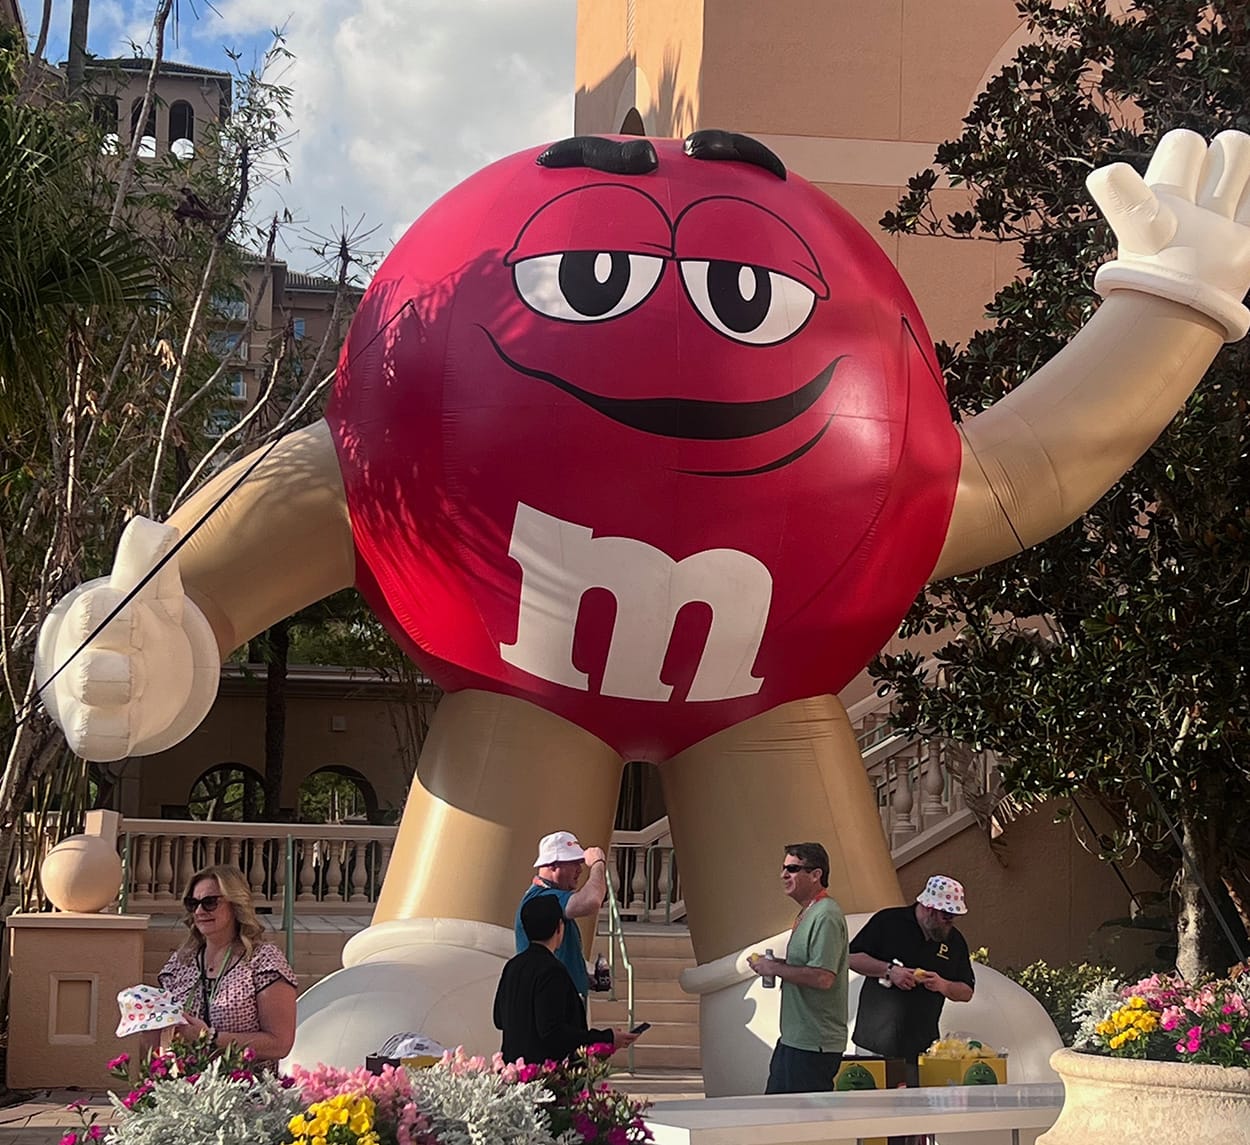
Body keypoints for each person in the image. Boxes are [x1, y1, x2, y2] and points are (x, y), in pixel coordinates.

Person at [149, 864, 298, 1069]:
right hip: (184, 1090)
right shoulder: (180, 963)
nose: (200, 911)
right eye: (193, 903)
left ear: (235, 904)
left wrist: (209, 1038)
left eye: (210, 902)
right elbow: (157, 1040)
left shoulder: (263, 961)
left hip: (247, 1091)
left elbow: (279, 1044)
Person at [747, 842, 849, 1094]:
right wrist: (773, 965)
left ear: (816, 875)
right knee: (777, 1116)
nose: (784, 875)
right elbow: (808, 967)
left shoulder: (826, 915)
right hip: (796, 1039)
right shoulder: (809, 912)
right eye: (783, 868)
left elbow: (823, 977)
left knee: (797, 1123)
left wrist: (775, 969)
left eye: (792, 869)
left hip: (814, 1044)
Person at [848, 874, 976, 1071]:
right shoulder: (888, 921)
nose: (949, 923)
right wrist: (889, 971)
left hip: (922, 1048)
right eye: (946, 917)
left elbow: (966, 991)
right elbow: (850, 958)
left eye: (953, 917)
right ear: (928, 908)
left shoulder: (954, 941)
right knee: (874, 1099)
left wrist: (943, 985)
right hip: (873, 1043)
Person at [495, 894, 639, 1065]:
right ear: (559, 928)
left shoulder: (513, 966)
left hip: (513, 1069)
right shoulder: (551, 970)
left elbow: (498, 1018)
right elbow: (552, 1031)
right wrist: (605, 1038)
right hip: (544, 1076)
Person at [515, 830, 608, 998]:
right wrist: (598, 864)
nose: (580, 870)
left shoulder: (551, 897)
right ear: (552, 865)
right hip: (553, 1004)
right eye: (574, 863)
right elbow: (592, 901)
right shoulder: (544, 899)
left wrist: (583, 977)